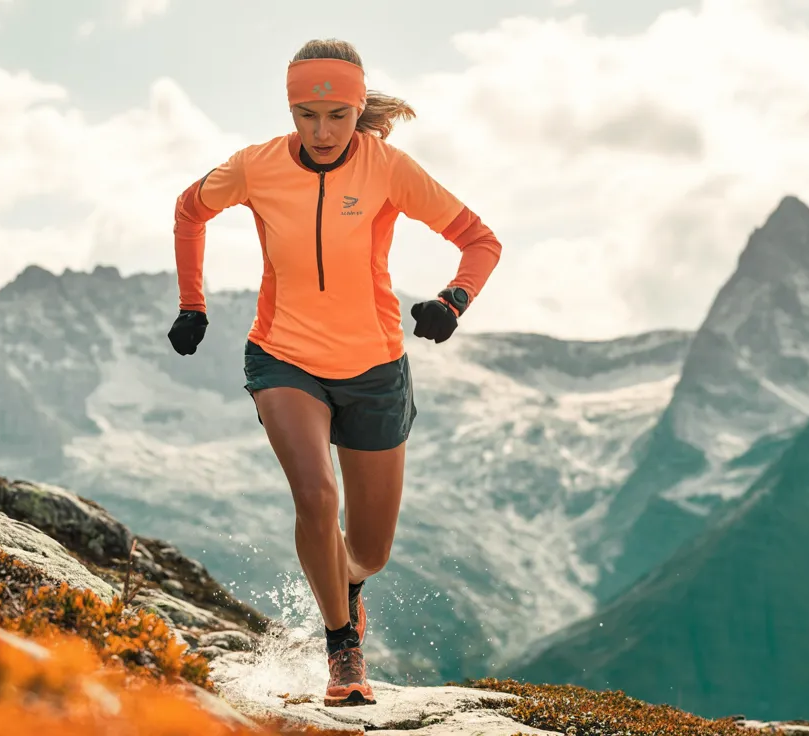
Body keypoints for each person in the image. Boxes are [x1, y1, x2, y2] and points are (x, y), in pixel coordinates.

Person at [166, 37, 502, 707]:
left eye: (337, 117)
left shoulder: (388, 167)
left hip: (375, 370)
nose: (320, 133)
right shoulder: (256, 167)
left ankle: (346, 582)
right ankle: (342, 648)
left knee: (369, 551)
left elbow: (480, 241)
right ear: (291, 109)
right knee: (317, 498)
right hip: (283, 357)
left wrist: (454, 301)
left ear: (356, 109)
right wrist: (192, 304)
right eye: (304, 115)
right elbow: (189, 209)